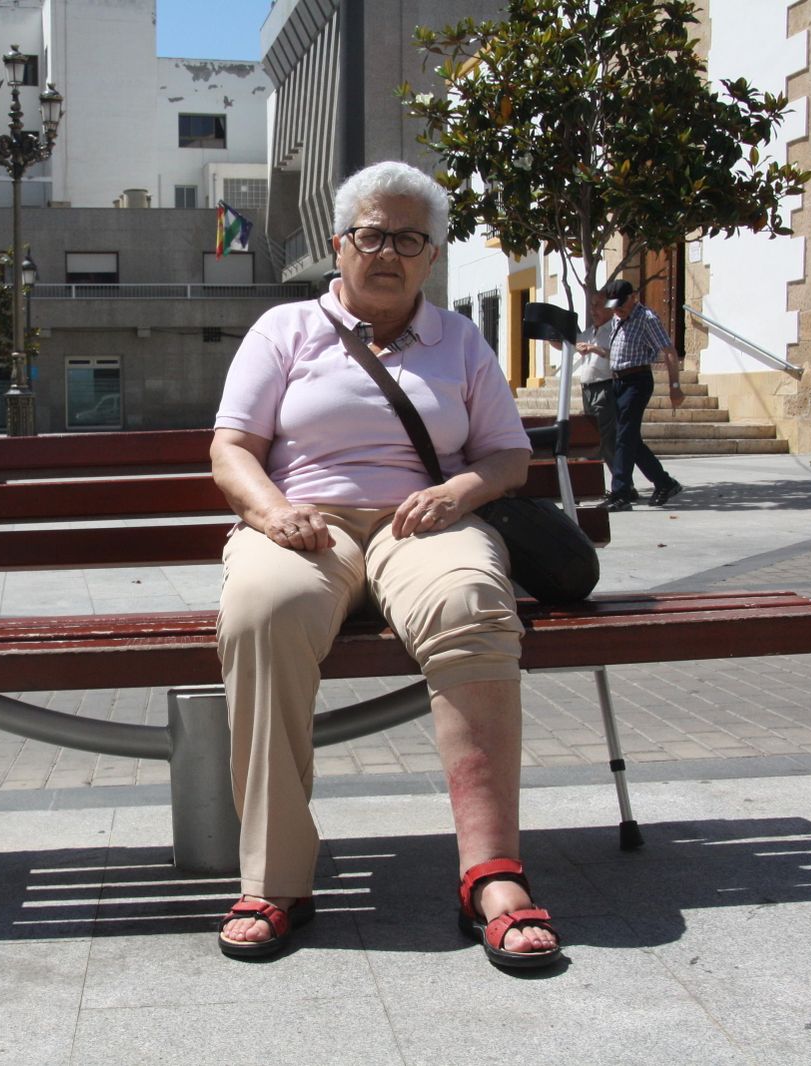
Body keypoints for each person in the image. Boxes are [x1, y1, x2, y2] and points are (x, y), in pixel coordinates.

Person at [209, 160, 561, 968]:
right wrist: (272, 512)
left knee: (473, 603)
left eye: (410, 239)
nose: (388, 253)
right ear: (340, 244)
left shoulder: (460, 340)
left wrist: (459, 491)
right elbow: (232, 449)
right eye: (371, 235)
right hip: (307, 524)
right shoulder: (284, 331)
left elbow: (507, 456)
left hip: (421, 521)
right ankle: (274, 879)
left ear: (432, 255)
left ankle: (492, 874)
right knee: (262, 611)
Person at [583, 279, 684, 510]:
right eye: (614, 305)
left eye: (621, 304)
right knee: (630, 440)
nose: (617, 310)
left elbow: (669, 351)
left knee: (623, 437)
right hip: (618, 382)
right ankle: (665, 483)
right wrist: (596, 349)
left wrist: (675, 386)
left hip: (637, 381)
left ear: (633, 297)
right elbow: (617, 353)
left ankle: (621, 493)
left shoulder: (647, 318)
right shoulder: (618, 319)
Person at [572, 296, 618, 471]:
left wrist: (594, 349)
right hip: (587, 390)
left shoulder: (614, 330)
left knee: (600, 435)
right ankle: (620, 480)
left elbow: (617, 355)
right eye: (592, 306)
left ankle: (585, 471)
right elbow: (571, 343)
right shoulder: (590, 332)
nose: (593, 310)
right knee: (603, 438)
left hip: (604, 388)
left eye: (597, 305)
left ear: (609, 308)